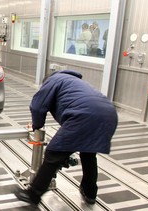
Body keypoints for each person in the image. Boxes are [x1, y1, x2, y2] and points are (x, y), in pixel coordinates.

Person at [15, 70, 118, 206]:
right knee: (88, 154)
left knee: (53, 154)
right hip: (109, 115)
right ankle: (90, 192)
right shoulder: (75, 82)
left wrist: (37, 125)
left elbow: (38, 106)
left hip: (84, 116)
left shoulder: (53, 80)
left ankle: (33, 195)